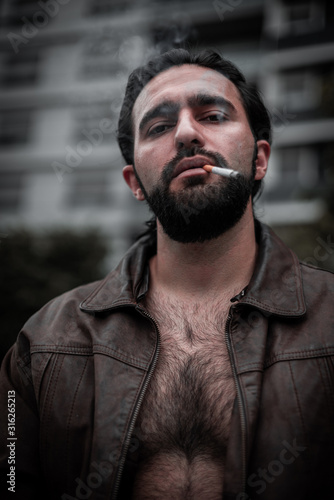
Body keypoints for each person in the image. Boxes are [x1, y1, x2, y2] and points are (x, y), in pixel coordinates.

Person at [0, 48, 333, 500]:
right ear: (135, 182)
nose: (185, 134)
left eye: (213, 116)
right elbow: (12, 479)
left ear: (258, 159)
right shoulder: (41, 344)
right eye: (158, 127)